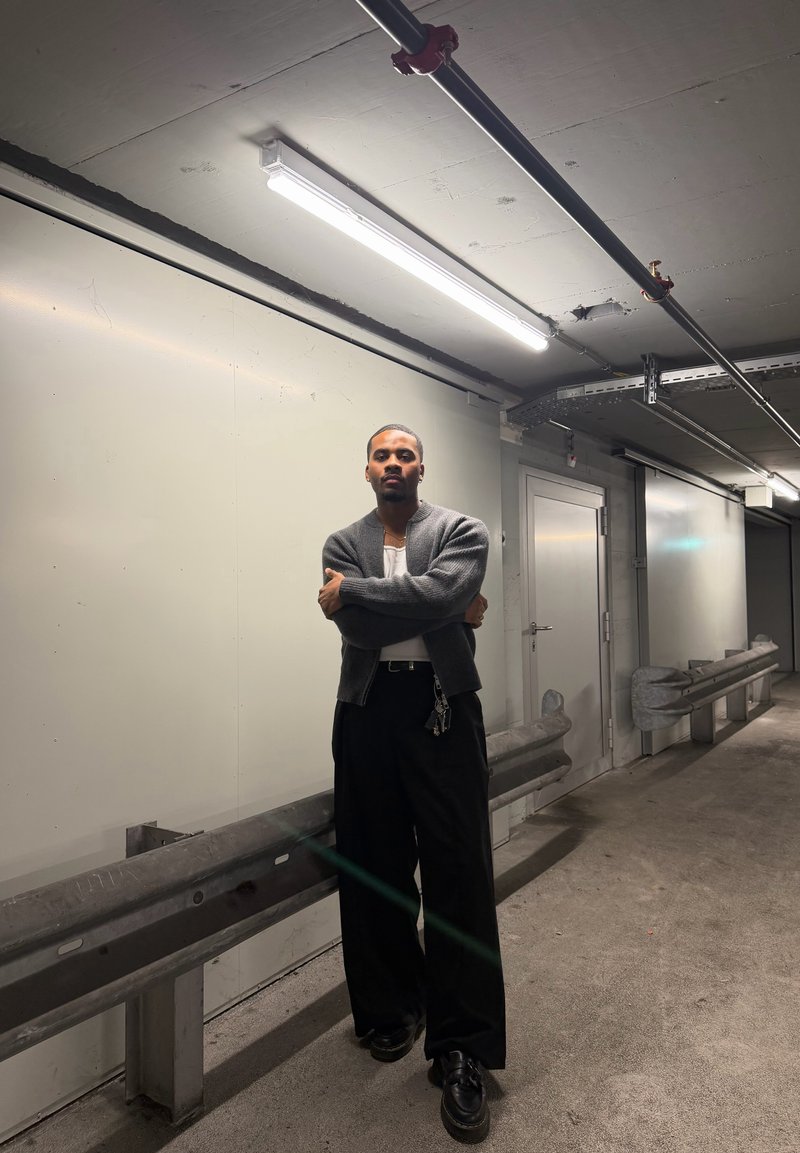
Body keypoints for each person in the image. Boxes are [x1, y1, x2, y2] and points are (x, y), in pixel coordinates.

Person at [318, 424, 505, 1144]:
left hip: (442, 709)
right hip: (367, 712)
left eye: (405, 453)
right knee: (373, 865)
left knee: (460, 872)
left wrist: (360, 595)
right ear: (367, 468)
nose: (394, 463)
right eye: (382, 454)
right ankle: (392, 1005)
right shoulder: (342, 540)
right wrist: (443, 607)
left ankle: (463, 1047)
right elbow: (364, 632)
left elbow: (442, 590)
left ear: (421, 465)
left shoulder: (461, 529)